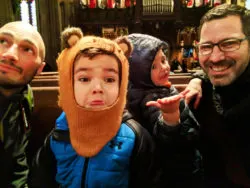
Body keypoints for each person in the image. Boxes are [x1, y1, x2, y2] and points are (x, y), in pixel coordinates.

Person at [30, 36, 155, 187]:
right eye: (84, 79)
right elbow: (40, 179)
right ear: (69, 84)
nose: (97, 88)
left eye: (109, 79)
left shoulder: (135, 136)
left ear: (121, 85)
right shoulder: (59, 132)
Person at [184, 4, 250, 187]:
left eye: (229, 44)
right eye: (206, 47)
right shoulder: (201, 96)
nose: (215, 57)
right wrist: (197, 79)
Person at [126, 33, 202, 187]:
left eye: (163, 60)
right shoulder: (150, 97)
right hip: (171, 170)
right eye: (153, 66)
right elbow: (165, 137)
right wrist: (169, 117)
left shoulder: (157, 87)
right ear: (138, 72)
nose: (164, 67)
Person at [0, 21, 45, 187]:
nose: (10, 54)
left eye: (27, 49)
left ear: (39, 69)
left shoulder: (25, 95)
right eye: (3, 41)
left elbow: (17, 157)